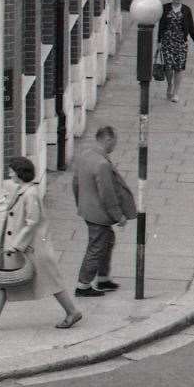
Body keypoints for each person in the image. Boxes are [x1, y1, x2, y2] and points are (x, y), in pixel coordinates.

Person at [0, 157, 80, 332]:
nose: (9, 173)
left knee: (52, 282)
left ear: (20, 173)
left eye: (12, 170)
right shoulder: (23, 190)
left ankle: (72, 312)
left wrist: (16, 245)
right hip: (27, 248)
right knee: (5, 280)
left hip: (33, 248)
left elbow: (32, 221)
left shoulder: (30, 194)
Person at [72, 124, 135, 297]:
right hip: (98, 213)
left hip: (87, 208)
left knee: (108, 239)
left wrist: (81, 204)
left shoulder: (85, 155)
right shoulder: (101, 163)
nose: (116, 144)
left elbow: (75, 183)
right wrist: (119, 216)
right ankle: (83, 285)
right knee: (97, 246)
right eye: (115, 141)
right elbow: (107, 194)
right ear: (108, 139)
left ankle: (103, 278)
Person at [155, 0, 194, 104]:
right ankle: (170, 84)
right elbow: (161, 26)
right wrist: (158, 41)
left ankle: (175, 92)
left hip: (181, 42)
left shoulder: (186, 10)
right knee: (168, 67)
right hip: (167, 41)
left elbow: (191, 27)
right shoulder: (165, 8)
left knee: (179, 68)